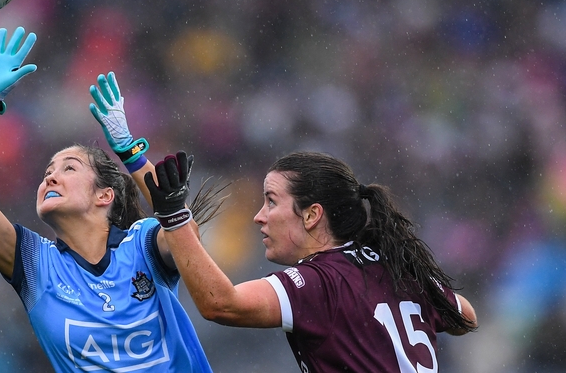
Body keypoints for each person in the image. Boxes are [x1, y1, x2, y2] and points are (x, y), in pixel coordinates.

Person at [0, 27, 215, 372]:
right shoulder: (35, 264)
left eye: (69, 168)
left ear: (104, 195)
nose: (50, 176)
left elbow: (187, 238)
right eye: (47, 172)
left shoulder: (142, 244)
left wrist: (131, 153)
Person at [139, 149, 478, 372]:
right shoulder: (395, 270)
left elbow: (221, 305)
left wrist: (174, 218)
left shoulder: (319, 282)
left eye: (271, 201)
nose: (259, 216)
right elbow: (465, 316)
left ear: (312, 214)